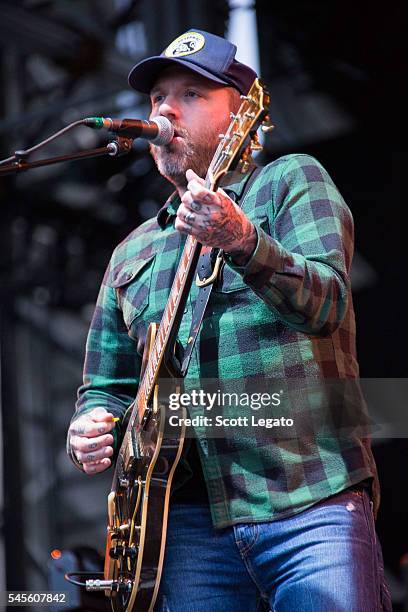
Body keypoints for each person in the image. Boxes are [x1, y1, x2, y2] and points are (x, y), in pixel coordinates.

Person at [67, 29, 391, 611]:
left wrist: (243, 239)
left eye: (191, 94)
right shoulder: (131, 253)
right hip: (183, 528)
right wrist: (91, 425)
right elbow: (106, 386)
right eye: (156, 97)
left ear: (243, 115)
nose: (164, 109)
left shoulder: (291, 180)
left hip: (308, 499)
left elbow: (329, 305)